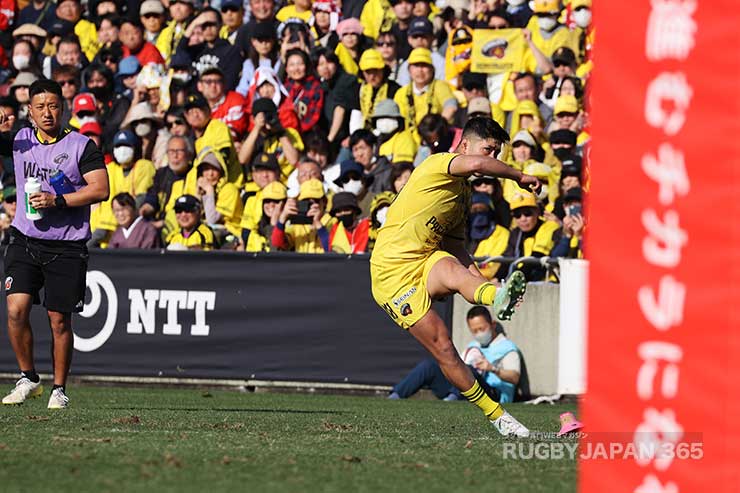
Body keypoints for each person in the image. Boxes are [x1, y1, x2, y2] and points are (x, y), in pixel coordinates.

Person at [370, 117, 540, 437]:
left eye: (496, 153)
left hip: (425, 262)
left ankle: (499, 296)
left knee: (450, 266)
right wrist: (518, 175)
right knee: (444, 348)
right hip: (391, 273)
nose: (491, 159)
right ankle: (498, 416)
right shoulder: (440, 163)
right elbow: (478, 163)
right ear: (465, 145)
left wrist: (488, 289)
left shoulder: (463, 195)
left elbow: (459, 254)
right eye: (489, 150)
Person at [0, 79, 109, 409]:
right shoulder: (19, 140)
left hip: (66, 245)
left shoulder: (81, 145)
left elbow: (101, 190)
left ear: (62, 108)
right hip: (24, 238)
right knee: (16, 309)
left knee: (59, 321)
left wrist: (57, 201)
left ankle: (59, 389)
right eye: (40, 107)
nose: (47, 113)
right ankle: (28, 378)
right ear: (29, 111)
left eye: (53, 106)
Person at [389, 306, 521, 403]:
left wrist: (492, 368)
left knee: (467, 370)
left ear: (492, 325)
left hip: (493, 394)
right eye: (474, 330)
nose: (479, 334)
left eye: (482, 329)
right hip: (467, 390)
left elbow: (514, 378)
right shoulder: (472, 346)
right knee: (430, 365)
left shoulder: (507, 348)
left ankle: (452, 400)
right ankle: (395, 396)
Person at [503, 190, 561, 281]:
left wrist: (515, 281)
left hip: (546, 282)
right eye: (517, 215)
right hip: (523, 279)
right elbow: (506, 260)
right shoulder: (515, 233)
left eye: (527, 214)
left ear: (537, 212)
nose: (523, 219)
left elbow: (535, 260)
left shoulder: (549, 227)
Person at [272, 178, 333, 253]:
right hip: (301, 264)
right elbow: (277, 244)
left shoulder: (333, 222)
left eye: (315, 201)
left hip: (325, 264)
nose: (311, 205)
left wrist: (318, 224)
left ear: (324, 202)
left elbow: (332, 250)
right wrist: (282, 218)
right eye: (306, 201)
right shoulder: (298, 225)